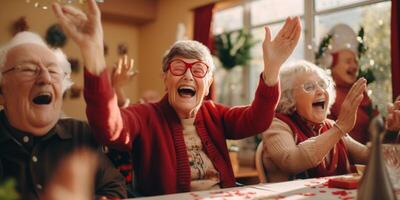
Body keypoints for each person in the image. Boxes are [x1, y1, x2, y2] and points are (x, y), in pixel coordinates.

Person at [52, 0, 301, 196]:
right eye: (179, 67)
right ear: (165, 78)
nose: (189, 76)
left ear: (209, 83)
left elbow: (256, 120)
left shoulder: (216, 113)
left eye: (199, 70)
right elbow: (110, 128)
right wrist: (94, 53)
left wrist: (272, 70)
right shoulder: (145, 115)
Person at [0, 31, 127, 199]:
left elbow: (115, 189)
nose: (45, 78)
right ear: (2, 92)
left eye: (53, 71)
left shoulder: (81, 134)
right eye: (28, 69)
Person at [262, 61, 369, 182]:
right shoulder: (276, 125)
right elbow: (291, 161)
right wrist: (339, 129)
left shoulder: (331, 127)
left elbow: (368, 156)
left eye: (323, 85)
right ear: (288, 96)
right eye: (309, 87)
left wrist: (392, 132)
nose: (320, 91)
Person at [317, 24, 379, 144]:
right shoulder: (324, 94)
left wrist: (392, 127)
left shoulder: (361, 93)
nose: (354, 66)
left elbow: (377, 132)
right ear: (332, 64)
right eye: (348, 61)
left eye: (355, 61)